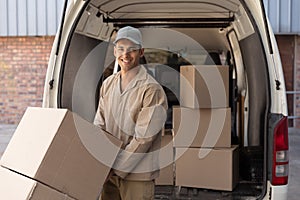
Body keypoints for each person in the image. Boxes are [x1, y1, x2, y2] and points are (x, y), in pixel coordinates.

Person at [94, 26, 168, 200]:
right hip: (109, 172)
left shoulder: (151, 89)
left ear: (141, 52)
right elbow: (99, 123)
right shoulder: (108, 84)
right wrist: (99, 162)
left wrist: (115, 167)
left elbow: (144, 138)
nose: (125, 55)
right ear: (114, 51)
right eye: (121, 49)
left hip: (138, 175)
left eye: (132, 49)